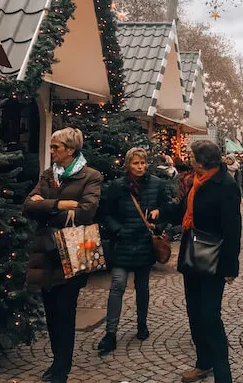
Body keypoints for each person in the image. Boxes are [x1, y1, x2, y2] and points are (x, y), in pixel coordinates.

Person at [23, 128, 101, 383]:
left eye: (55, 147)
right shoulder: (48, 175)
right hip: (46, 252)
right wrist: (61, 206)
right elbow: (28, 206)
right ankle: (57, 361)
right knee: (51, 310)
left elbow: (86, 212)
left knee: (65, 310)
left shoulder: (91, 176)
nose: (52, 151)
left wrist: (44, 207)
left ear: (70, 150)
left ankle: (61, 368)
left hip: (74, 250)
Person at [96, 148, 174, 356]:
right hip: (123, 244)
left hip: (144, 244)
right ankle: (110, 333)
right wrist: (118, 230)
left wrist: (159, 214)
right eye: (135, 163)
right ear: (128, 164)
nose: (140, 167)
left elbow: (169, 208)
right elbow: (106, 213)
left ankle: (142, 324)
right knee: (117, 285)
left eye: (143, 163)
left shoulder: (156, 184)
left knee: (142, 286)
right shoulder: (117, 186)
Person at [178, 140, 241, 383]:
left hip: (214, 258)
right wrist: (161, 214)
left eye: (191, 156)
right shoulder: (195, 181)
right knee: (194, 312)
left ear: (202, 161)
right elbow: (184, 211)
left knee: (210, 316)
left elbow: (232, 229)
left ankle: (223, 375)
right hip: (192, 254)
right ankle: (203, 362)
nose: (188, 159)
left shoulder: (225, 185)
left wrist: (230, 266)